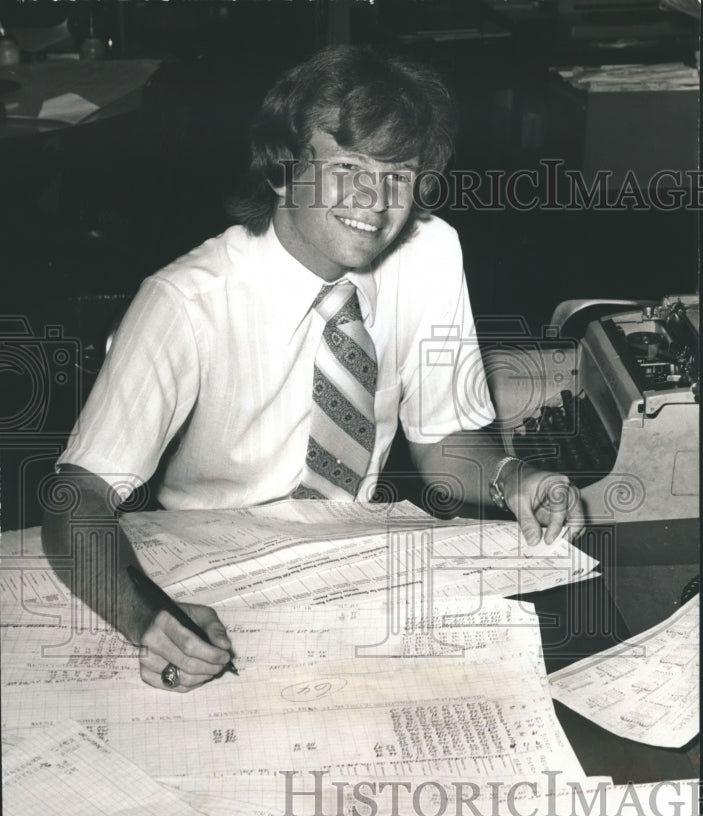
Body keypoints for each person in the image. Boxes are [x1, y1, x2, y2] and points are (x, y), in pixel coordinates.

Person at [42, 44, 583, 693]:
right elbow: (77, 497)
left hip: (351, 562)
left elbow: (442, 446)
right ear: (282, 168)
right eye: (347, 166)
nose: (374, 200)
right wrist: (145, 616)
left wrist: (512, 477)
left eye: (398, 174)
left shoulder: (431, 253)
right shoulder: (186, 302)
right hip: (209, 569)